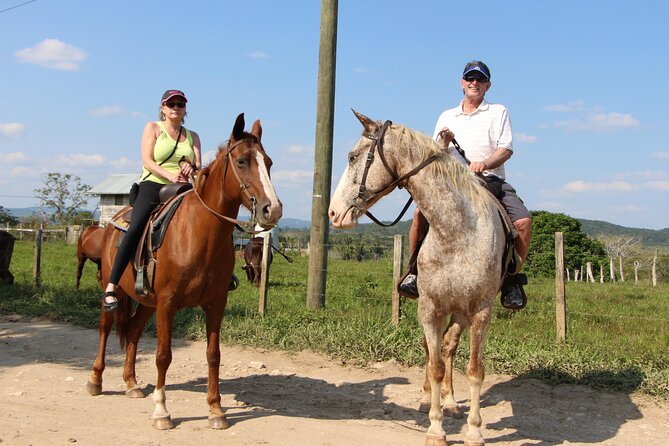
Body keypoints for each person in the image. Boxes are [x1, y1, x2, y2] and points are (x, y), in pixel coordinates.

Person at [399, 61, 532, 309]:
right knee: (419, 215)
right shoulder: (447, 116)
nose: (474, 83)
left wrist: (484, 163)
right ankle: (414, 271)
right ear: (462, 83)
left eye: (480, 80)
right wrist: (445, 143)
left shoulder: (498, 111)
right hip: (453, 182)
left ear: (487, 85)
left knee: (523, 222)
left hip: (490, 179)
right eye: (470, 79)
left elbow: (506, 149)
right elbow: (435, 154)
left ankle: (511, 280)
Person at [102, 89, 201, 311]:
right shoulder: (153, 128)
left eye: (180, 104)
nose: (176, 107)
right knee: (136, 227)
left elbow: (199, 166)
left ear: (185, 109)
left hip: (183, 188)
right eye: (172, 104)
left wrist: (191, 167)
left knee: (208, 219)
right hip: (154, 184)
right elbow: (147, 160)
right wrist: (169, 175)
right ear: (163, 107)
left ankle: (220, 275)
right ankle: (111, 285)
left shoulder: (193, 136)